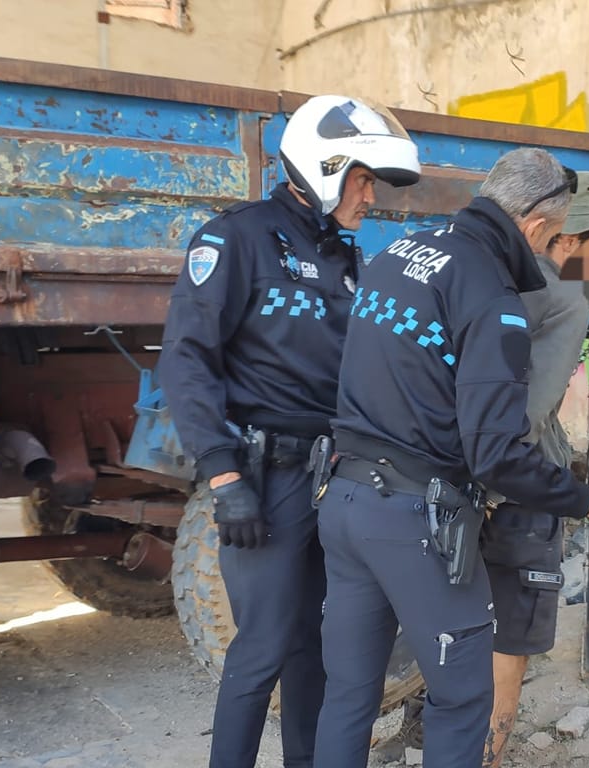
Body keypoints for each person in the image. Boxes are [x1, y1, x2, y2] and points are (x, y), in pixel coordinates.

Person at [311, 148, 589, 768]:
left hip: (344, 497)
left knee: (348, 692)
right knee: (465, 694)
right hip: (425, 512)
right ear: (543, 228)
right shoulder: (509, 291)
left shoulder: (403, 253)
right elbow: (509, 437)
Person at [156, 94, 421, 768]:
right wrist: (223, 476)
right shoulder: (236, 238)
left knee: (315, 646)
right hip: (261, 481)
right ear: (326, 168)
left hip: (330, 480)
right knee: (263, 648)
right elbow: (187, 363)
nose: (370, 197)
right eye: (363, 179)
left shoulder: (345, 258)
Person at [478, 170, 589, 768]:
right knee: (507, 644)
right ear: (570, 238)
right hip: (515, 492)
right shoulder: (566, 297)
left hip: (450, 486)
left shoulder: (482, 275)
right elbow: (526, 414)